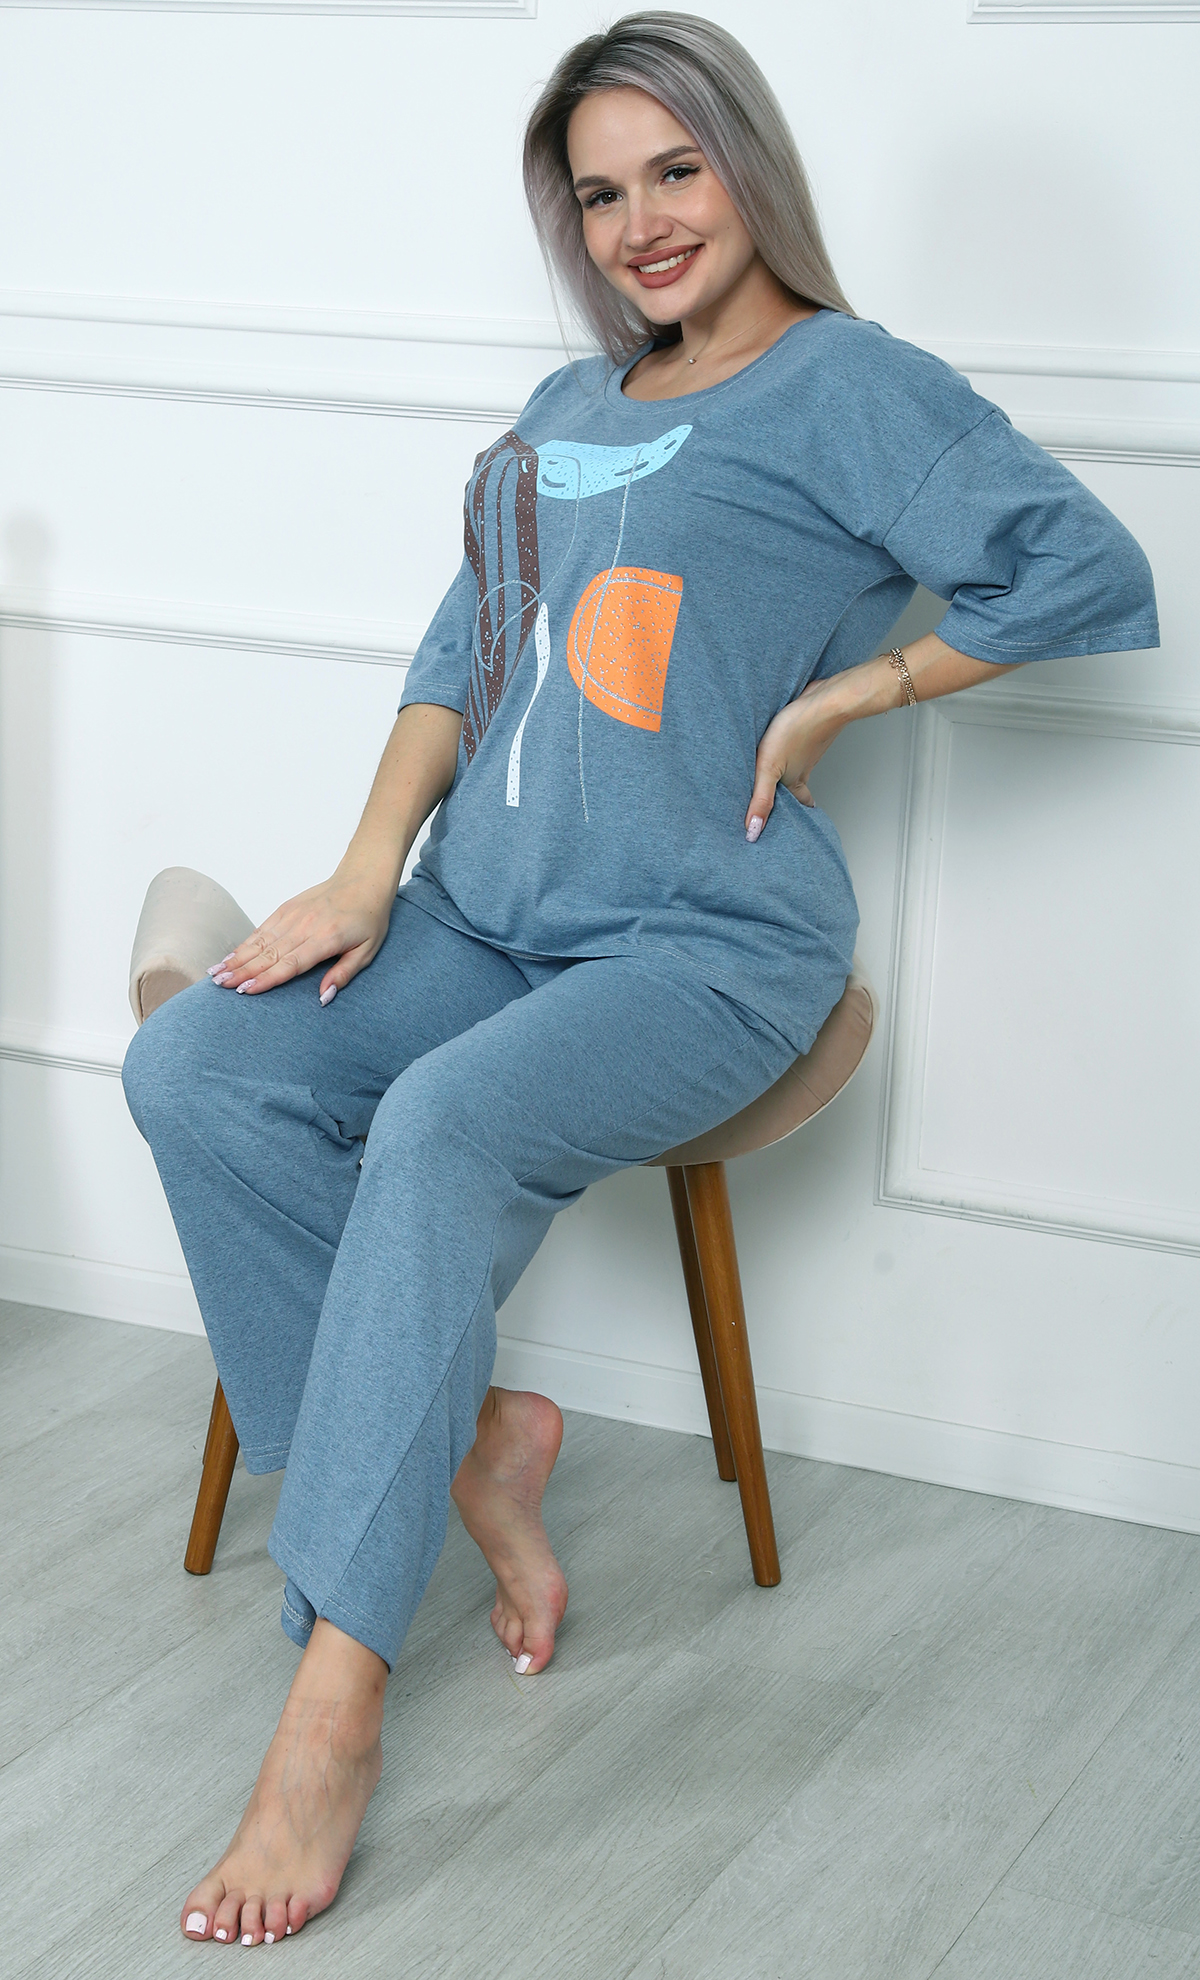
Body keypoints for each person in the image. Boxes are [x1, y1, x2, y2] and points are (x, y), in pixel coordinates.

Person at [122, 10, 1158, 1948]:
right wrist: (365, 872)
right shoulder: (567, 402)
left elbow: (1085, 570)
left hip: (708, 945)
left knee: (438, 1125)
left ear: (747, 166)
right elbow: (462, 657)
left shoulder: (854, 383)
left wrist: (856, 691)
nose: (642, 222)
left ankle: (333, 1699)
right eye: (600, 195)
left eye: (675, 170)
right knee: (196, 1073)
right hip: (481, 914)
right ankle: (476, 1448)